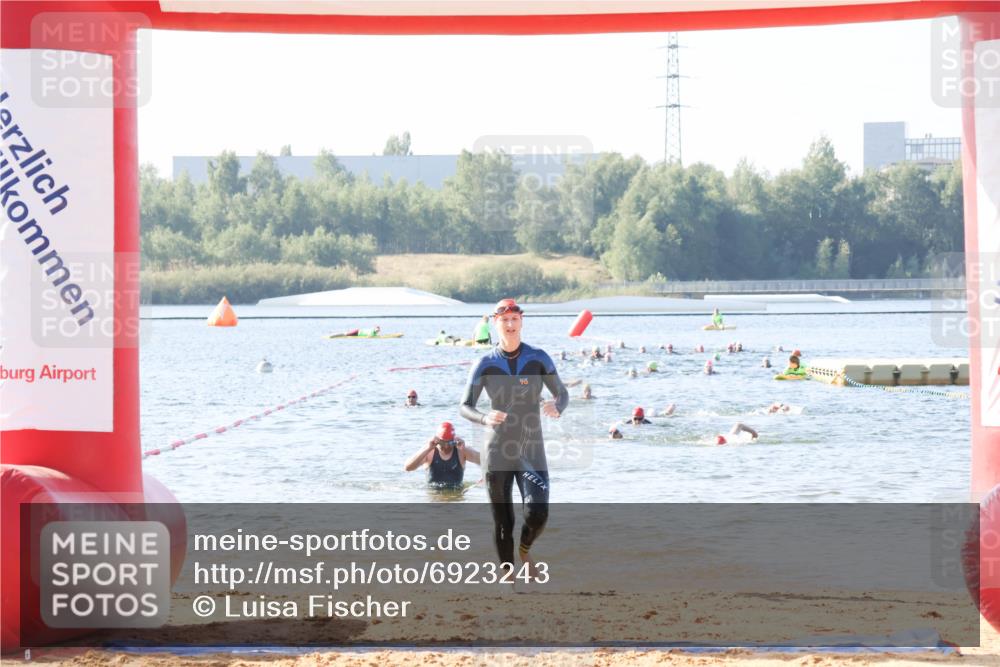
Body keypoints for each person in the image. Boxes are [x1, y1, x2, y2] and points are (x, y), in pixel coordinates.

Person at [460, 298, 568, 580]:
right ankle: (508, 578)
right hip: (496, 450)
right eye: (504, 320)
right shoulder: (484, 363)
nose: (509, 325)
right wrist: (485, 418)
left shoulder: (538, 357)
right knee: (503, 521)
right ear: (495, 323)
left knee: (537, 513)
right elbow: (465, 406)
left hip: (531, 448)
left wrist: (557, 406)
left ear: (521, 322)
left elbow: (562, 393)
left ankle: (524, 549)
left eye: (514, 320)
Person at [404, 421, 480, 489]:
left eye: (450, 443)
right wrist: (427, 448)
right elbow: (408, 468)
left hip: (456, 499)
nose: (446, 446)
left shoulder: (462, 451)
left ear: (454, 440)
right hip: (434, 499)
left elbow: (486, 462)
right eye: (443, 443)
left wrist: (466, 450)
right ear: (437, 441)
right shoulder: (429, 451)